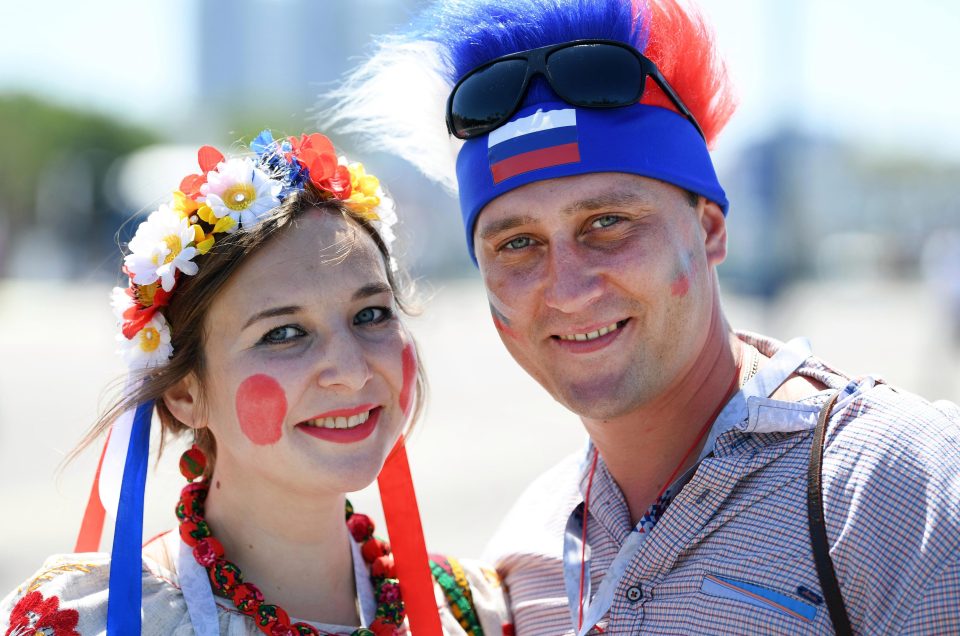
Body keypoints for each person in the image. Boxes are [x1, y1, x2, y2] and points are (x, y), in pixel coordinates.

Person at [327, 1, 960, 634]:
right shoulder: (528, 553)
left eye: (608, 223)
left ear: (710, 229)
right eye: (517, 244)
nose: (567, 290)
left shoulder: (894, 487)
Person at [0, 131, 510, 636]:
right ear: (184, 394)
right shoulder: (93, 622)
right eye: (284, 333)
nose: (352, 371)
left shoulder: (474, 609)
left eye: (371, 314)